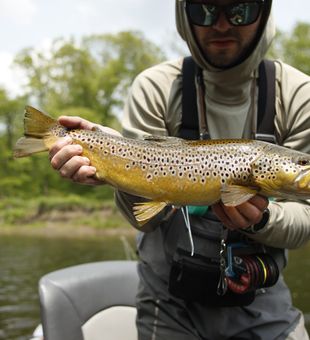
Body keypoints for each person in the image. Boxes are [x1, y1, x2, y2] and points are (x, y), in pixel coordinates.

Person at [49, 0, 310, 339]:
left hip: (262, 299)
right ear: (183, 15)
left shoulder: (298, 95)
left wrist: (262, 219)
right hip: (168, 303)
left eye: (240, 11)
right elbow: (143, 217)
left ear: (264, 13)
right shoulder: (156, 87)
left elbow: (305, 220)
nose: (220, 24)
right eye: (204, 10)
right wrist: (113, 159)